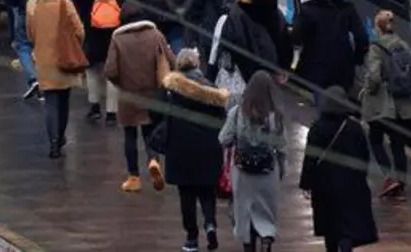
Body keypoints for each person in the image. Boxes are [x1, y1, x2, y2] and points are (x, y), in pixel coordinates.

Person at [161, 48, 229, 252]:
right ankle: (210, 225)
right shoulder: (212, 90)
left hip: (180, 150)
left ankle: (191, 237)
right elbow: (221, 120)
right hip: (207, 149)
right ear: (197, 64)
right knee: (207, 192)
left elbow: (161, 116)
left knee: (186, 195)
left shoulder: (171, 89)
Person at [106, 3, 175, 192]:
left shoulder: (117, 39)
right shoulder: (155, 35)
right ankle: (153, 160)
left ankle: (133, 177)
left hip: (129, 95)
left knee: (129, 136)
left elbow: (110, 70)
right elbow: (171, 60)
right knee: (150, 132)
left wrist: (121, 83)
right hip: (153, 93)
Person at [300, 86, 379, 252]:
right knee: (348, 223)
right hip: (351, 184)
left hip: (324, 186)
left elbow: (310, 158)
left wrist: (306, 183)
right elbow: (364, 157)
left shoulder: (317, 127)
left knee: (330, 225)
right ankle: (346, 246)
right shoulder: (355, 128)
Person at [219, 70, 287, 252]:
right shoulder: (276, 116)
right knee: (266, 212)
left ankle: (249, 247)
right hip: (267, 171)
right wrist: (281, 170)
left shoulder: (237, 112)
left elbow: (224, 139)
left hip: (243, 172)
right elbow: (281, 147)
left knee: (245, 212)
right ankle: (266, 239)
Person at [360, 9, 411, 198]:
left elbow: (375, 76)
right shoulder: (403, 45)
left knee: (375, 140)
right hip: (402, 104)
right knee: (397, 143)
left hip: (382, 104)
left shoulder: (376, 48)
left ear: (377, 27)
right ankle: (401, 182)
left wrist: (368, 89)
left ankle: (389, 177)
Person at [26, 0, 85, 159]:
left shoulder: (33, 7)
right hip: (64, 56)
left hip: (44, 58)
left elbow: (30, 35)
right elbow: (80, 30)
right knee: (64, 100)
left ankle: (53, 144)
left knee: (50, 102)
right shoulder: (65, 4)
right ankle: (60, 138)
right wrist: (75, 45)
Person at [293, 0, 370, 106]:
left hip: (316, 67)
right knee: (341, 101)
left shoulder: (307, 9)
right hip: (343, 67)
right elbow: (362, 38)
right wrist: (357, 59)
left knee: (321, 102)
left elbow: (296, 37)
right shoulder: (347, 8)